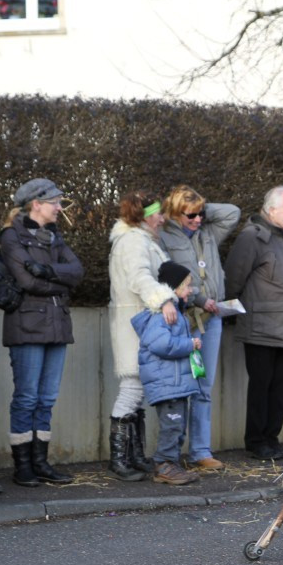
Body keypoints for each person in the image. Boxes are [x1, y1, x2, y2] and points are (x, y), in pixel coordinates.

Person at [0, 178, 83, 486]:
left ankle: (41, 462)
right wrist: (58, 282)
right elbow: (26, 281)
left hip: (57, 325)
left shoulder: (54, 237)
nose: (60, 208)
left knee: (46, 398)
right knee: (26, 398)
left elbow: (78, 272)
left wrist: (48, 271)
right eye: (56, 202)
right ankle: (23, 465)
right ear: (37, 204)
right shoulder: (12, 237)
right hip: (27, 326)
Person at [160, 186, 240, 471]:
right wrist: (199, 299)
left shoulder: (207, 232)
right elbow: (167, 278)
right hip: (186, 320)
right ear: (175, 213)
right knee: (185, 385)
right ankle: (171, 451)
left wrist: (201, 207)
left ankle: (200, 451)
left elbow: (233, 213)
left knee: (203, 385)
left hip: (211, 321)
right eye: (191, 215)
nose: (198, 220)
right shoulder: (165, 235)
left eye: (201, 214)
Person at [224, 186, 283, 461]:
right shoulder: (252, 239)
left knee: (280, 387)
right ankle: (257, 440)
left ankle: (272, 439)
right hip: (260, 327)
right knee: (261, 386)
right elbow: (233, 280)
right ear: (271, 211)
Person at [107, 191, 177, 481]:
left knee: (138, 388)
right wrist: (164, 299)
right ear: (146, 215)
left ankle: (133, 456)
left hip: (138, 320)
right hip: (134, 321)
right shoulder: (135, 240)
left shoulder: (140, 239)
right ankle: (120, 459)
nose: (162, 218)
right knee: (132, 386)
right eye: (158, 213)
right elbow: (140, 278)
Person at [130, 261, 203, 486]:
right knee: (172, 425)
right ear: (173, 287)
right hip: (167, 384)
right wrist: (189, 344)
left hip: (175, 384)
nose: (190, 290)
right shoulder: (161, 315)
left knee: (178, 425)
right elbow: (161, 344)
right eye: (186, 286)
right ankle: (163, 464)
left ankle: (171, 463)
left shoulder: (175, 313)